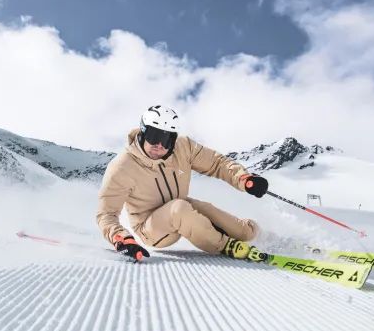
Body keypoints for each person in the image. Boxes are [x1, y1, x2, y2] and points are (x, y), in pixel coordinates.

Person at [96, 104, 269, 263]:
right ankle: (225, 246)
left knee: (240, 229)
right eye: (154, 135)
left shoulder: (182, 147)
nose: (159, 145)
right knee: (179, 209)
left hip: (181, 207)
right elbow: (106, 214)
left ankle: (263, 236)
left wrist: (244, 179)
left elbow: (216, 163)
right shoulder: (122, 167)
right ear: (142, 132)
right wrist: (121, 239)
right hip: (151, 228)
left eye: (166, 139)